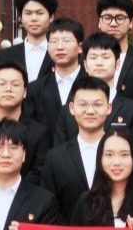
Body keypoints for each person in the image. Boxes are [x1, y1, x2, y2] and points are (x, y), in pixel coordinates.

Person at [53, 33, 133, 146]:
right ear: (85, 64)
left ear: (117, 64)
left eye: (105, 57)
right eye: (93, 57)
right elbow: (60, 152)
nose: (99, 63)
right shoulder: (67, 112)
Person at [40, 76, 112, 219]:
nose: (90, 111)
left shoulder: (123, 153)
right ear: (72, 108)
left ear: (109, 108)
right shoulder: (55, 158)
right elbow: (48, 206)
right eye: (83, 105)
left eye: (97, 105)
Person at [71, 130, 133, 229]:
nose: (116, 162)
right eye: (109, 155)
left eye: (124, 154)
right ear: (100, 159)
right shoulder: (86, 202)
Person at [0, 61, 53, 184]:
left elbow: (39, 173)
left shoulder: (40, 133)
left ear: (25, 92)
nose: (8, 89)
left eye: (15, 84)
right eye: (2, 84)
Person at [25, 18, 85, 131]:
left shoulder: (93, 85)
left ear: (80, 47)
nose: (59, 47)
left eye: (66, 41)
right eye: (54, 41)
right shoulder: (35, 89)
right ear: (47, 48)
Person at [0, 0, 58, 82]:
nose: (34, 18)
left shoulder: (61, 54)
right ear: (21, 18)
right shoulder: (4, 56)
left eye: (39, 13)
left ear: (51, 17)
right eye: (28, 13)